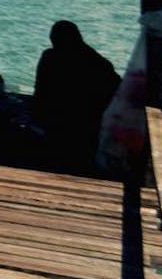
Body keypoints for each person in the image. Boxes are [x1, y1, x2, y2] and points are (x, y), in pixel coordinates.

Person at [34, 20, 120, 172]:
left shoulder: (50, 57)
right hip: (88, 121)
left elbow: (40, 89)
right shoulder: (97, 61)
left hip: (58, 117)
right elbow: (115, 88)